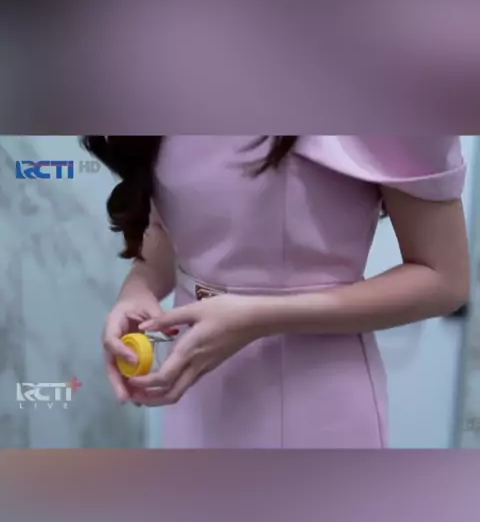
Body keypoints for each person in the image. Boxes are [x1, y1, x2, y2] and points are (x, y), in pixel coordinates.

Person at [82, 136, 469, 449]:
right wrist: (138, 288)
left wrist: (257, 318)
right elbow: (170, 231)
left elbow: (443, 278)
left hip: (313, 399)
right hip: (196, 394)